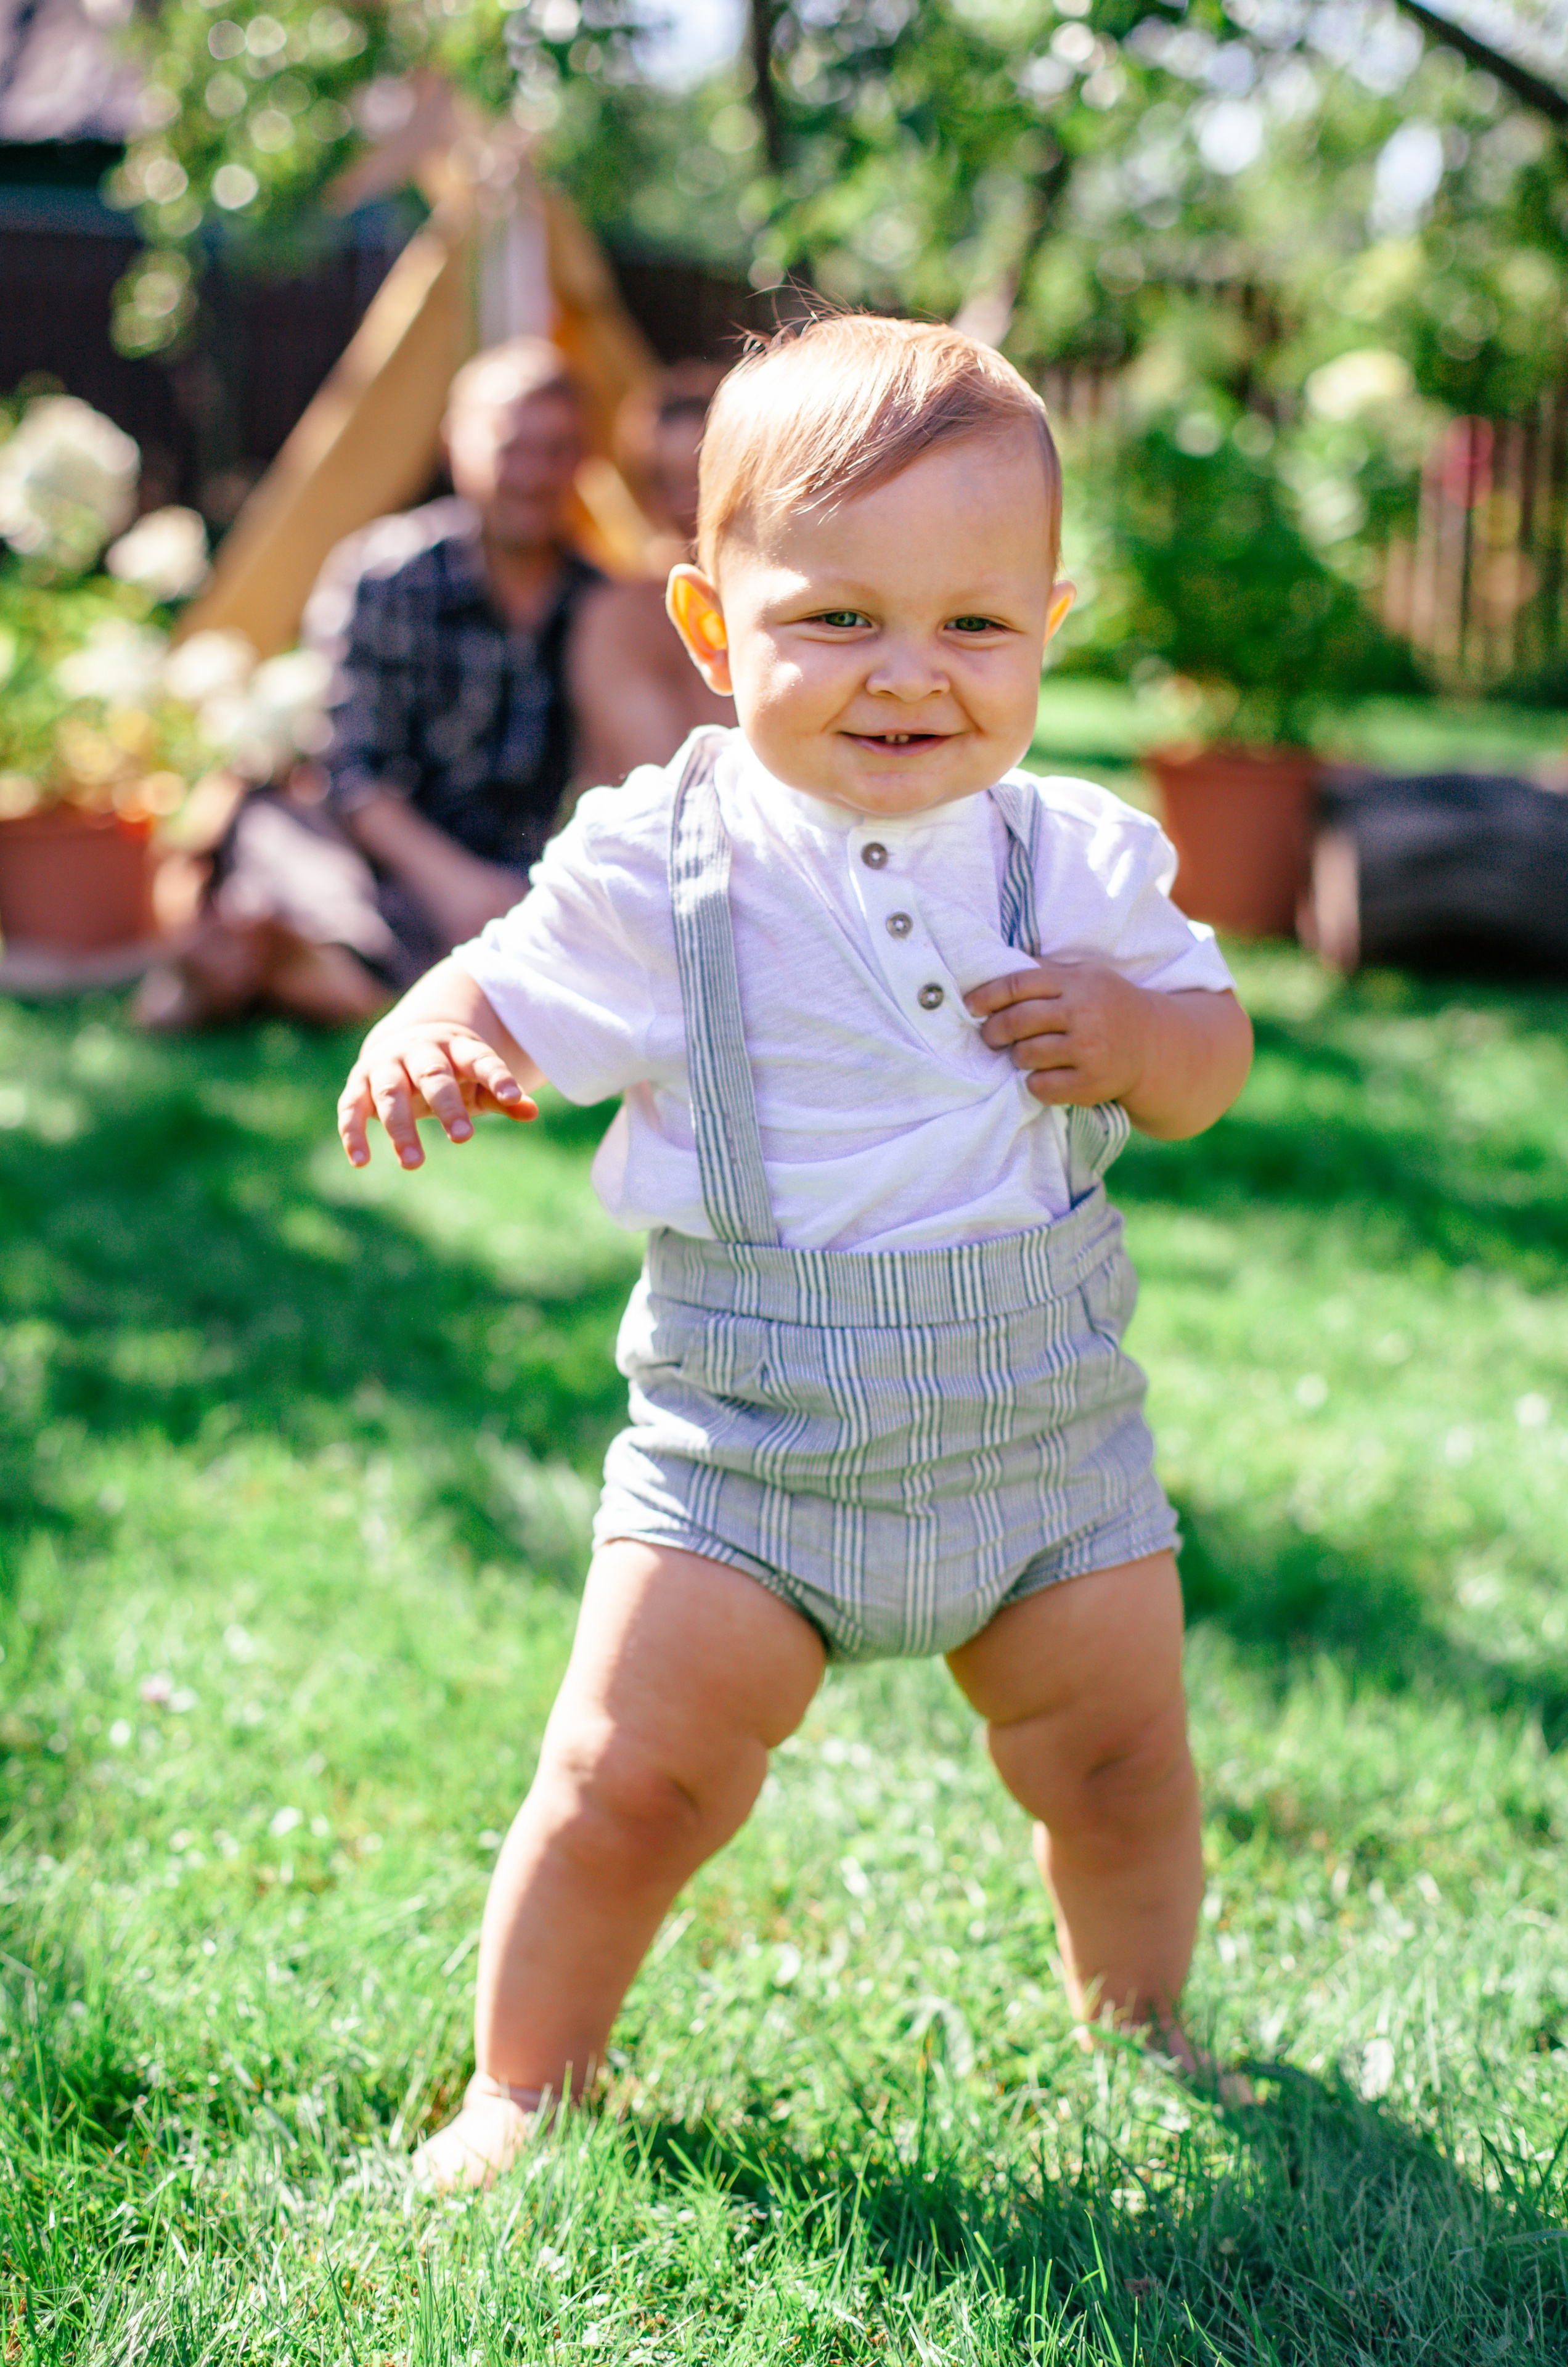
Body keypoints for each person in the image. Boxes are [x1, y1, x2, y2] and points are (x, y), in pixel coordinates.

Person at [336, 314, 1255, 2189]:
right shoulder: (659, 859)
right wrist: (434, 1032)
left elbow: (1209, 1062)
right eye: (835, 617)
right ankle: (524, 2082)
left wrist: (1135, 1033)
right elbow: (502, 984)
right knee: (626, 1781)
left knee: (1118, 1765)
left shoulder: (1077, 860)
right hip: (749, 1452)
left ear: (1046, 625)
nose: (907, 673)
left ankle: (1144, 2019)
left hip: (1040, 1443)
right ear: (708, 626)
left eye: (972, 623)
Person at [138, 339, 604, 1029]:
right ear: (455, 446)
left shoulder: (603, 603)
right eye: (511, 447)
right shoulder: (388, 574)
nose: (533, 474)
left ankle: (305, 967)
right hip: (384, 866)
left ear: (585, 460)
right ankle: (316, 959)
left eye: (556, 449)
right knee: (274, 827)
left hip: (521, 881)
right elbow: (349, 771)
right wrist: (452, 884)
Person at [567, 361, 729, 791]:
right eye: (663, 481)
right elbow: (662, 778)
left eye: (700, 475)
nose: (685, 503)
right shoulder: (621, 616)